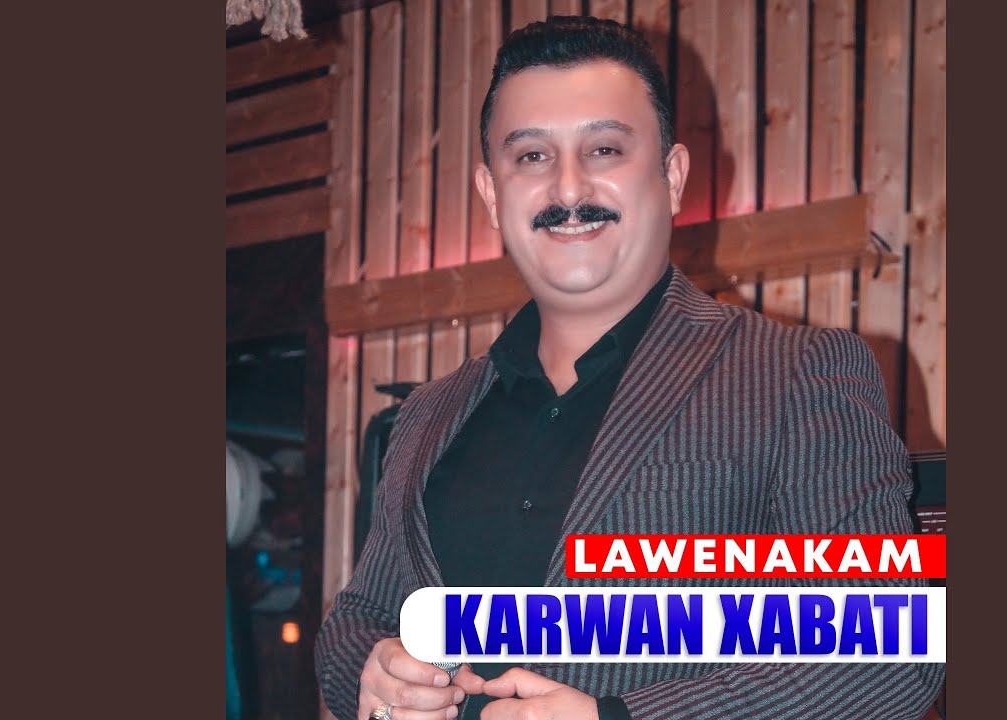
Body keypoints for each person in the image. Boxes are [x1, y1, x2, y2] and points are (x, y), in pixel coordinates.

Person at [316, 15, 944, 720]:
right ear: (492, 193)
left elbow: (889, 653)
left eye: (605, 149)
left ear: (671, 177)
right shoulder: (427, 414)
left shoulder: (798, 374)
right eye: (532, 156)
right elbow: (358, 617)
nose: (568, 188)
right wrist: (371, 670)